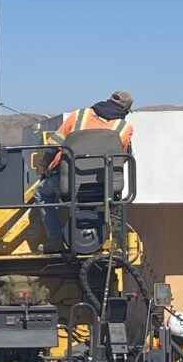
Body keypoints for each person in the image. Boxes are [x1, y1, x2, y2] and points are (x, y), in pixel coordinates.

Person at [37, 90, 135, 249]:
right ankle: (101, 231)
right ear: (125, 111)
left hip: (69, 182)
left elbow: (52, 146)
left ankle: (55, 239)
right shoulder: (125, 128)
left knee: (41, 193)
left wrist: (45, 170)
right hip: (104, 185)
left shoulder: (79, 116)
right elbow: (122, 159)